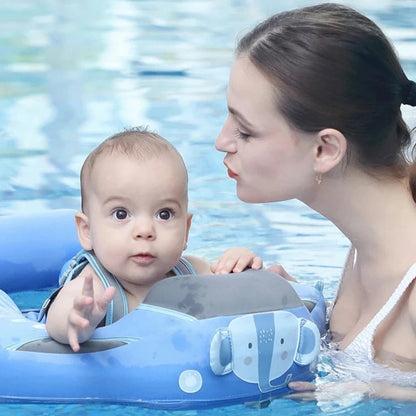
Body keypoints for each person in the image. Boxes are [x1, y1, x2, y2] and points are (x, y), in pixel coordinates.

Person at [215, 3, 416, 401]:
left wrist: (371, 391)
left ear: (325, 149)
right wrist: (297, 302)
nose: (222, 141)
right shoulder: (367, 244)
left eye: (245, 131)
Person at [45, 127, 262, 352]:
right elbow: (58, 318)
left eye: (164, 214)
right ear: (87, 231)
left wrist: (239, 266)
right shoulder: (94, 287)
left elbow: (239, 297)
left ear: (186, 230)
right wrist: (77, 322)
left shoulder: (193, 272)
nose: (145, 230)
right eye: (121, 214)